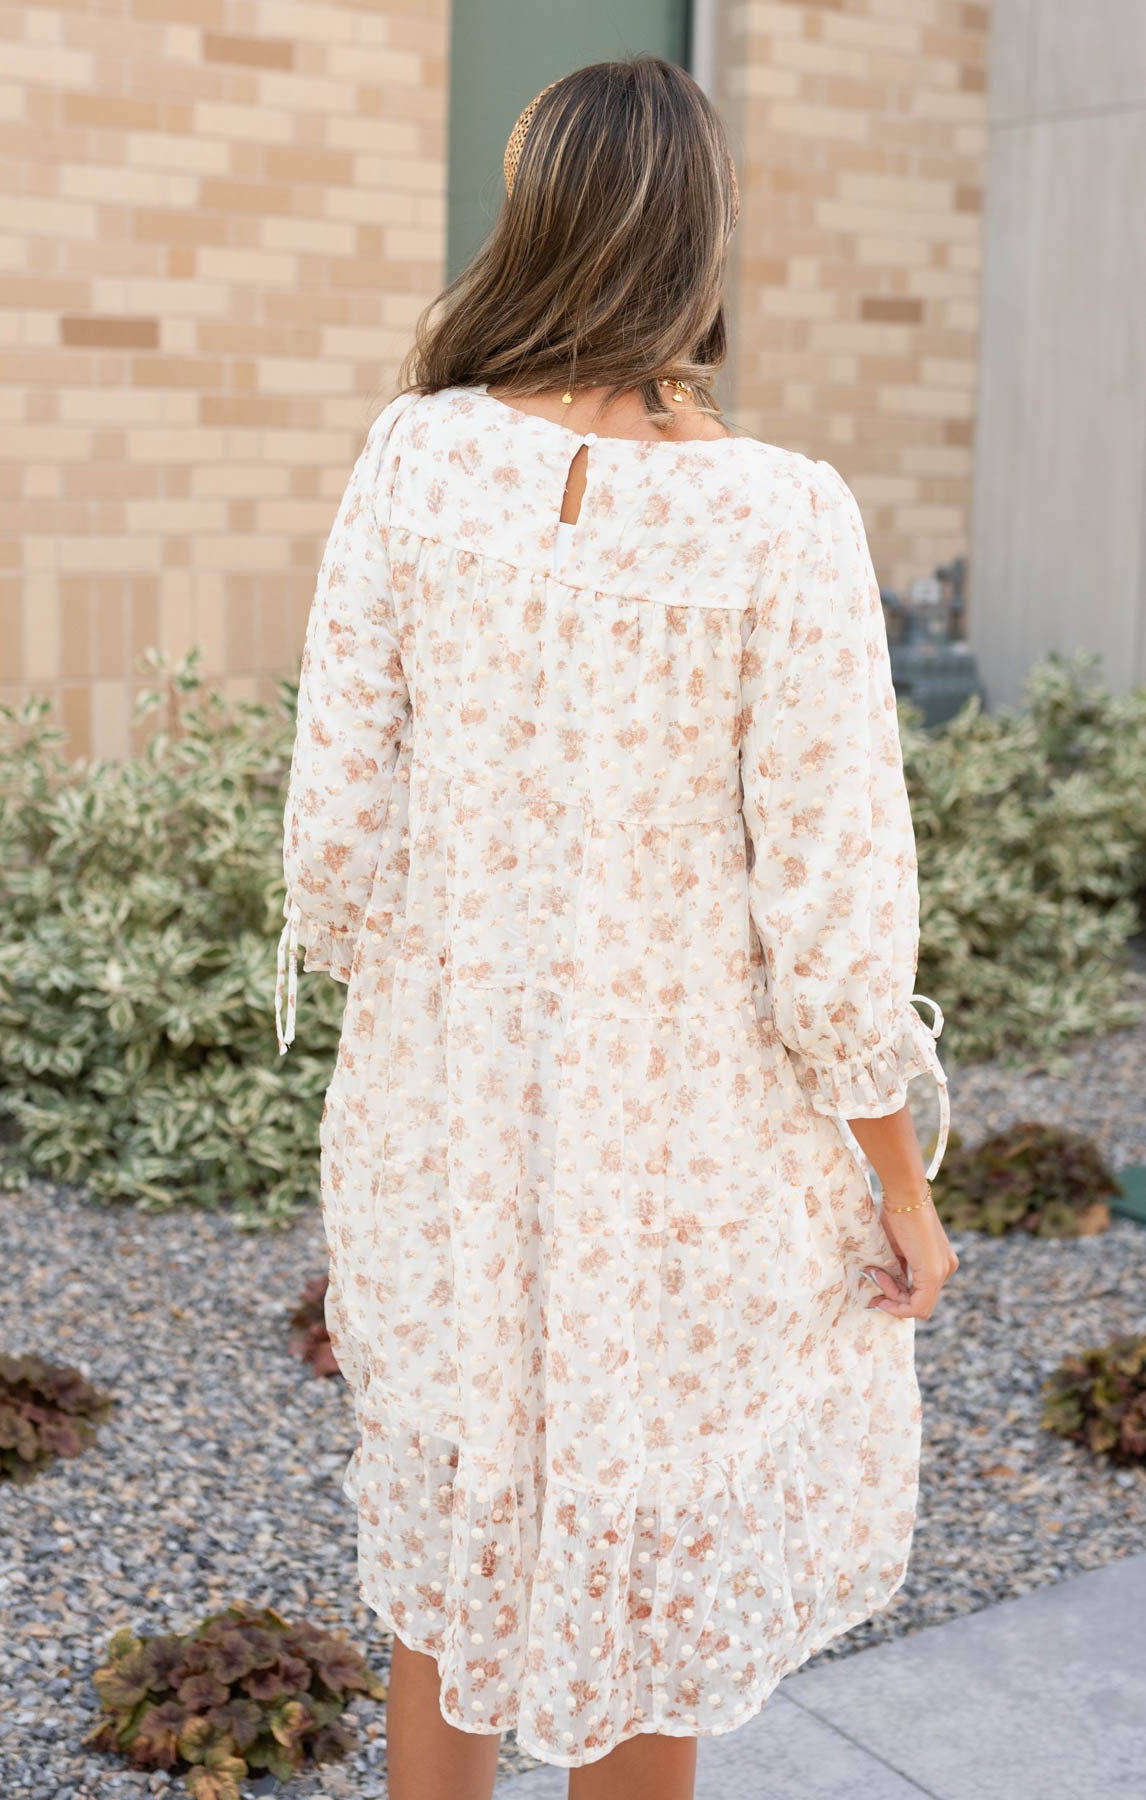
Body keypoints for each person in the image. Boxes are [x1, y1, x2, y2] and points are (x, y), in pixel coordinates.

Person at [274, 54, 959, 1800]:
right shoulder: (781, 517)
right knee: (640, 1586)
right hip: (678, 1176)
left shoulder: (415, 461)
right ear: (695, 243)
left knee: (454, 1562)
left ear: (537, 219)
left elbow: (338, 848)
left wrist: (455, 1025)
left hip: (445, 1139)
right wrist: (900, 1188)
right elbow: (832, 922)